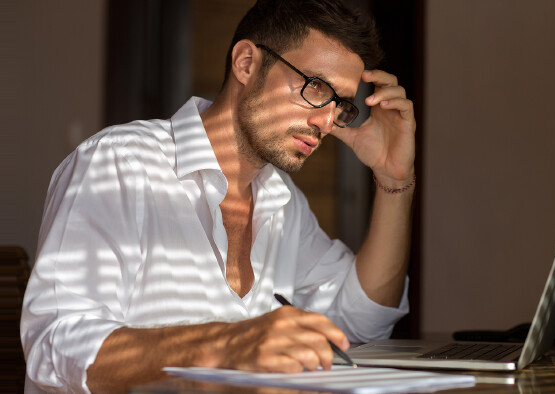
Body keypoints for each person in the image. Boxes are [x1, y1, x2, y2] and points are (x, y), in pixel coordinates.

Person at [20, 0, 416, 392]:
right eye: (315, 87)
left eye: (340, 105)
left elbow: (363, 319)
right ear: (246, 63)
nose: (325, 122)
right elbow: (55, 342)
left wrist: (393, 179)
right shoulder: (117, 164)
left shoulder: (282, 201)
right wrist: (224, 343)